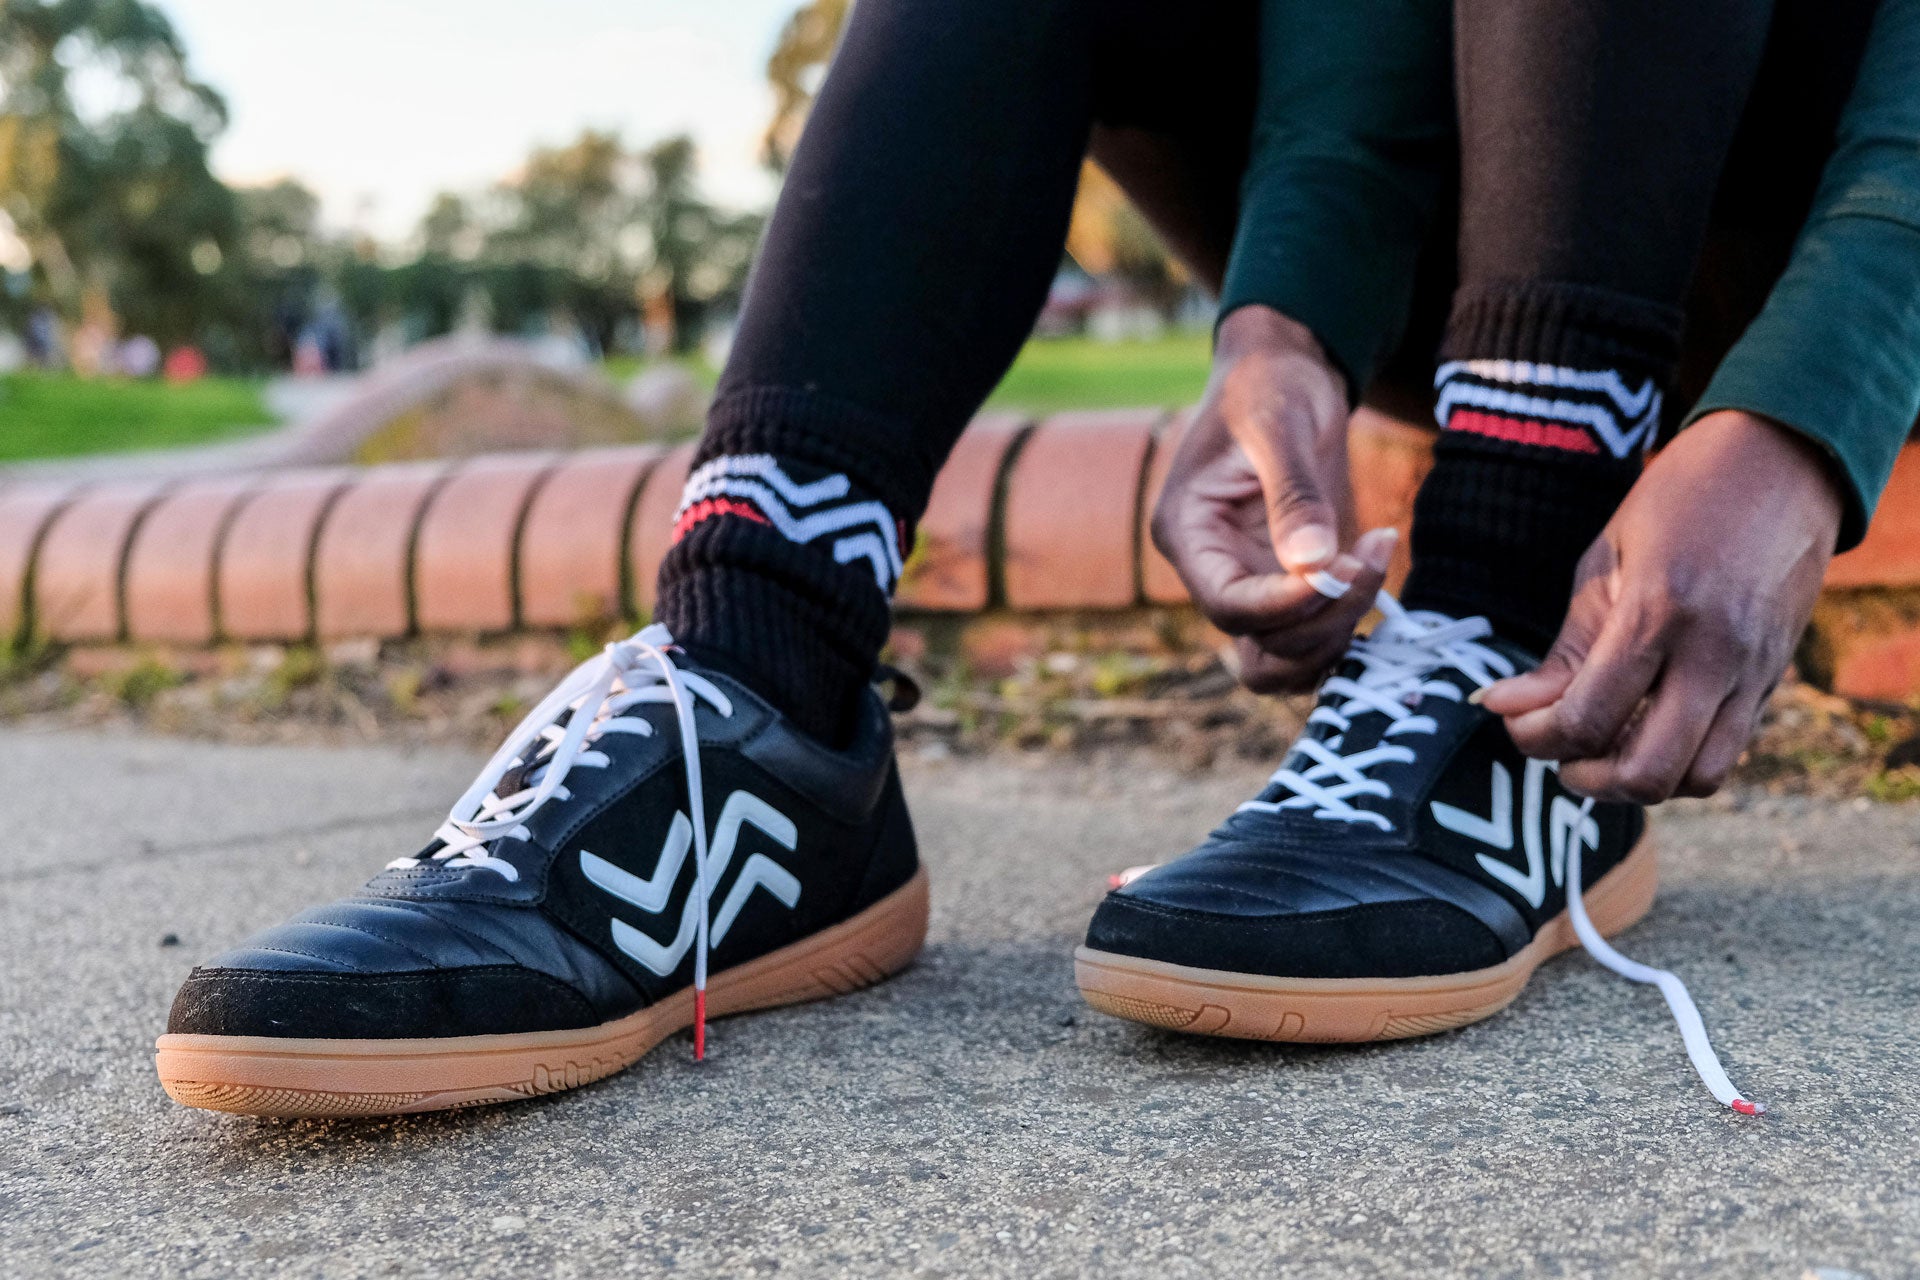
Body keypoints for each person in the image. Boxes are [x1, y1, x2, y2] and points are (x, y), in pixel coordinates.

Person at [155, 0, 1920, 1118]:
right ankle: (758, 692)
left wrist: (1808, 408)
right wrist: (1286, 316)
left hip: (1820, 203)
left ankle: (1513, 632)